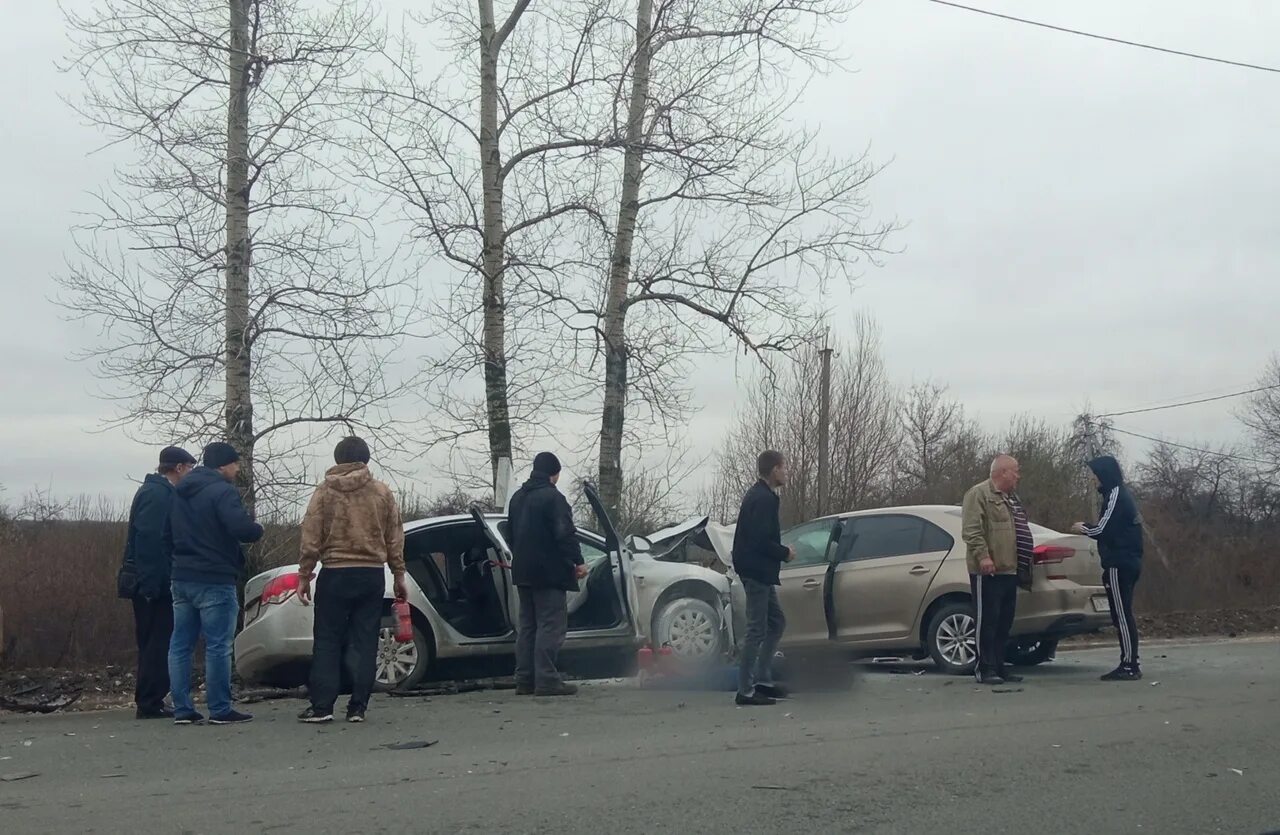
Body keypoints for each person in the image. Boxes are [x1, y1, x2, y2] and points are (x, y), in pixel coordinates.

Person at [295, 437, 408, 724]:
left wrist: (304, 575)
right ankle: (358, 707)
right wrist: (398, 574)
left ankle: (322, 706)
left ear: (337, 459)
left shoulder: (324, 492)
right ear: (366, 459)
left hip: (335, 572)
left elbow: (310, 536)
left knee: (327, 640)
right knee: (365, 640)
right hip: (371, 573)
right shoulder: (382, 492)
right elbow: (395, 537)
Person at [168, 442, 264, 725]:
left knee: (180, 644)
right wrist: (257, 529)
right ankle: (220, 708)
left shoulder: (179, 492)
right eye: (235, 464)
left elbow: (166, 532)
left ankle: (182, 709)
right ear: (223, 465)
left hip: (182, 576)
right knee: (218, 645)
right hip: (214, 577)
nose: (237, 469)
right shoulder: (223, 492)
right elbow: (240, 528)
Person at [120, 446, 196, 719]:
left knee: (155, 640)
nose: (190, 472)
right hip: (152, 584)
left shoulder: (154, 491)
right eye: (190, 467)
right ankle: (151, 701)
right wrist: (154, 586)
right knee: (157, 641)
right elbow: (150, 542)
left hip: (149, 581)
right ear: (179, 467)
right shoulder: (158, 494)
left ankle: (151, 698)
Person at [508, 452, 586, 697]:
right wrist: (578, 562)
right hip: (550, 573)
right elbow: (565, 534)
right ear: (554, 473)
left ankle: (524, 680)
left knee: (528, 626)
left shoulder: (518, 498)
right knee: (550, 626)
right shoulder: (553, 498)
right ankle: (547, 680)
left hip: (523, 572)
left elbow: (510, 534)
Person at [1073, 455, 1145, 682]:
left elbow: (1103, 529)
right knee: (1122, 613)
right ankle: (1130, 661)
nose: (1092, 479)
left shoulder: (1115, 496)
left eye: (1094, 474)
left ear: (1104, 474)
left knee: (1121, 614)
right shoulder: (1119, 495)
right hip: (1128, 561)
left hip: (1119, 563)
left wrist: (1083, 527)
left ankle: (1129, 664)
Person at [961, 454, 1031, 686]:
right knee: (987, 621)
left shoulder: (1011, 499)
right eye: (1015, 471)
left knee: (1004, 621)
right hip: (988, 571)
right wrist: (983, 556)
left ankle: (1000, 665)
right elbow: (971, 530)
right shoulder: (979, 494)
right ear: (1002, 472)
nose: (1018, 476)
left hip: (1009, 569)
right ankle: (984, 667)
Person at [731, 450, 794, 707]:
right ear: (774, 470)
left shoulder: (760, 495)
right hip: (756, 571)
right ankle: (745, 691)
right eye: (784, 467)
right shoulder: (763, 499)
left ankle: (763, 681)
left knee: (776, 622)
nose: (786, 472)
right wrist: (785, 553)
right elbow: (758, 540)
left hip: (759, 571)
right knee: (756, 629)